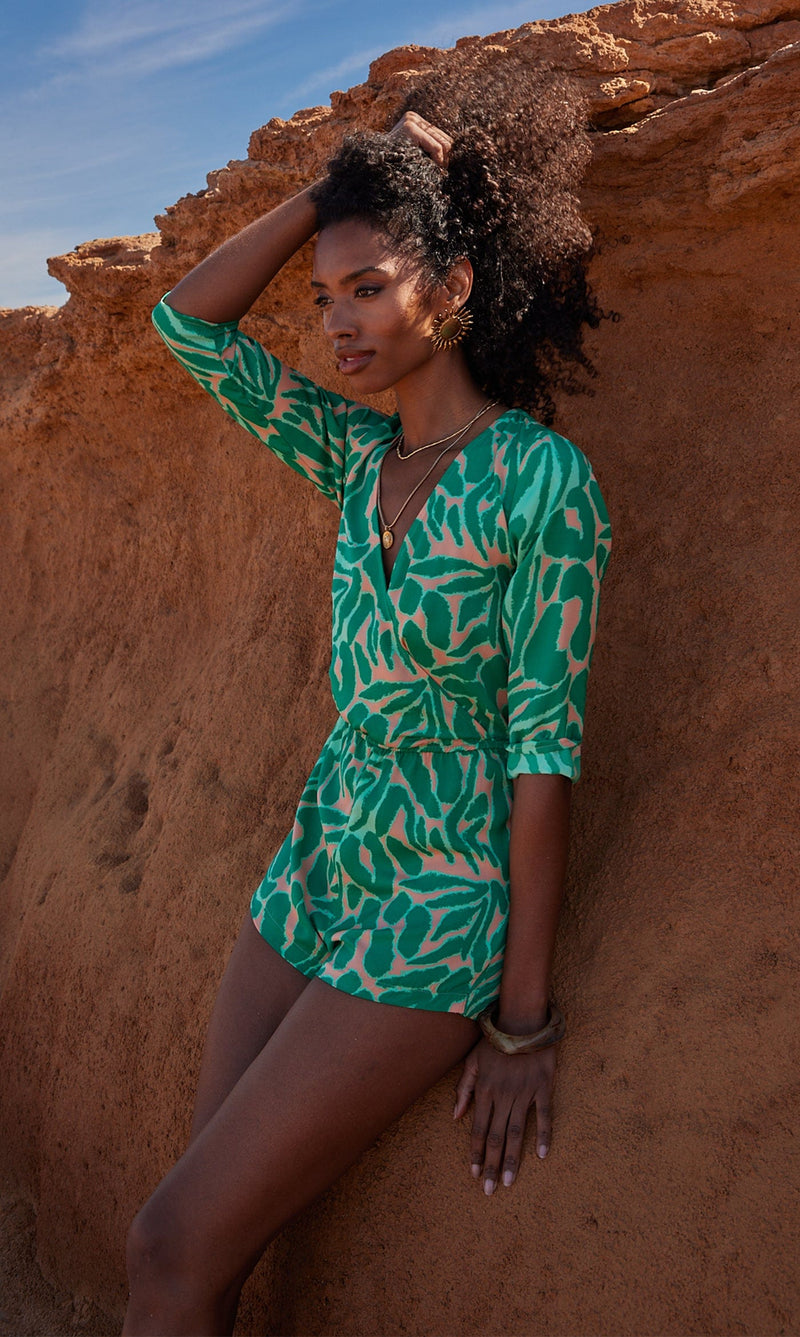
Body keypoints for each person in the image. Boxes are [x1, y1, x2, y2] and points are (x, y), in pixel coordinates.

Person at [123, 63, 612, 1337]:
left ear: (448, 291)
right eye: (325, 294)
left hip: (437, 897)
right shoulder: (352, 455)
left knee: (168, 1239)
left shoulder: (538, 483)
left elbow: (541, 751)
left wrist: (520, 1022)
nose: (335, 321)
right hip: (318, 858)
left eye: (369, 286)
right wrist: (336, 191)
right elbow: (187, 327)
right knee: (199, 1238)